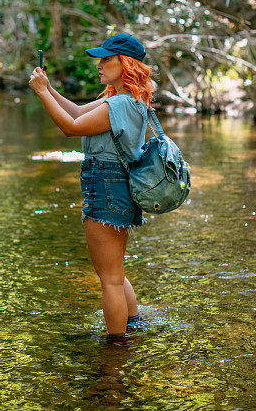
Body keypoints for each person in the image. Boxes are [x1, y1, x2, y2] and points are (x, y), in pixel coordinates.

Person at [28, 33, 155, 339]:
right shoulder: (121, 100)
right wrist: (49, 89)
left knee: (109, 278)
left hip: (106, 188)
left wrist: (43, 94)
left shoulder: (121, 103)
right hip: (118, 187)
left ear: (125, 64)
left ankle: (115, 349)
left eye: (106, 59)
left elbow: (70, 128)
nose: (99, 65)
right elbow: (75, 112)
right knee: (115, 271)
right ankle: (133, 323)